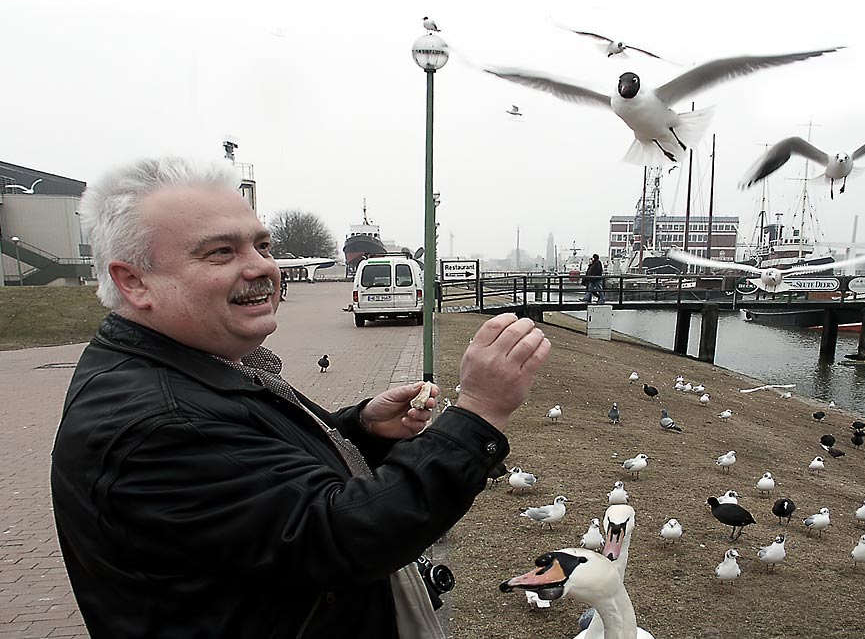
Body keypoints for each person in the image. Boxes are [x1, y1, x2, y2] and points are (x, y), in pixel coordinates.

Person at [50, 157, 551, 639]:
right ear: (134, 282)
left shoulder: (199, 367)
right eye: (221, 252)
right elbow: (342, 537)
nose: (261, 268)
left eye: (262, 246)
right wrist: (479, 413)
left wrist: (360, 431)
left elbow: (261, 485)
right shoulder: (158, 423)